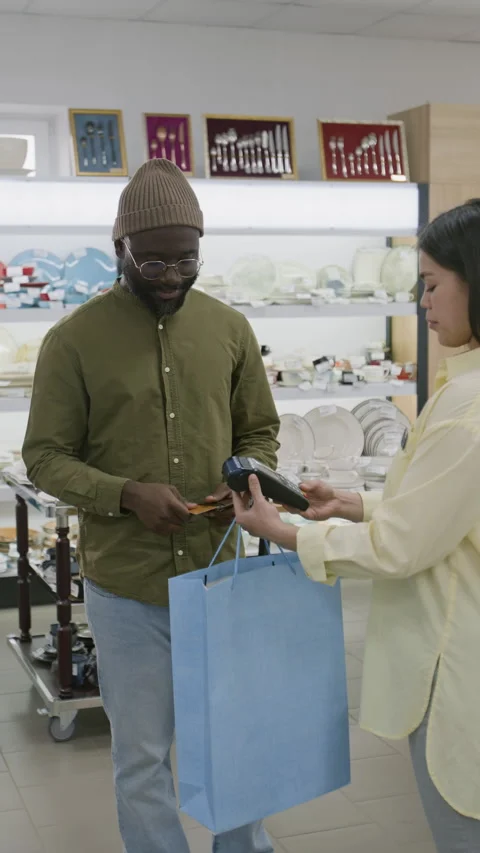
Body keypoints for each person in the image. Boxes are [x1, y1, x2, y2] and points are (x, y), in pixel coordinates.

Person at [23, 159, 279, 853]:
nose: (170, 275)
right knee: (141, 759)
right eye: (153, 260)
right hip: (127, 588)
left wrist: (246, 480)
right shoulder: (73, 342)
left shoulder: (228, 330)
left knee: (236, 743)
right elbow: (43, 455)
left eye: (186, 259)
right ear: (119, 249)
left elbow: (259, 430)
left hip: (220, 575)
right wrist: (124, 494)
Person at [233, 200, 480, 853]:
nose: (421, 301)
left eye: (430, 284)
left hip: (456, 670)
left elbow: (401, 545)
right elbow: (448, 511)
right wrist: (354, 504)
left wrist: (284, 532)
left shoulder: (467, 407)